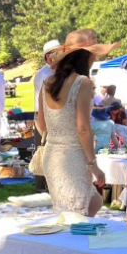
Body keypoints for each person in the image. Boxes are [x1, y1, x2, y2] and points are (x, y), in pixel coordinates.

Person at [35, 29, 117, 216]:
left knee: (89, 203)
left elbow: (42, 124)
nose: (95, 58)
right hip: (72, 156)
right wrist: (93, 164)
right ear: (85, 56)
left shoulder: (47, 83)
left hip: (53, 155)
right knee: (76, 218)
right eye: (94, 53)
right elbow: (83, 129)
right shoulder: (83, 83)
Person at [31, 39, 60, 192]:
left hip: (54, 116)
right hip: (45, 117)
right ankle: (42, 186)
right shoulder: (43, 75)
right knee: (44, 150)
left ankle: (51, 184)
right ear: (49, 57)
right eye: (57, 53)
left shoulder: (55, 72)